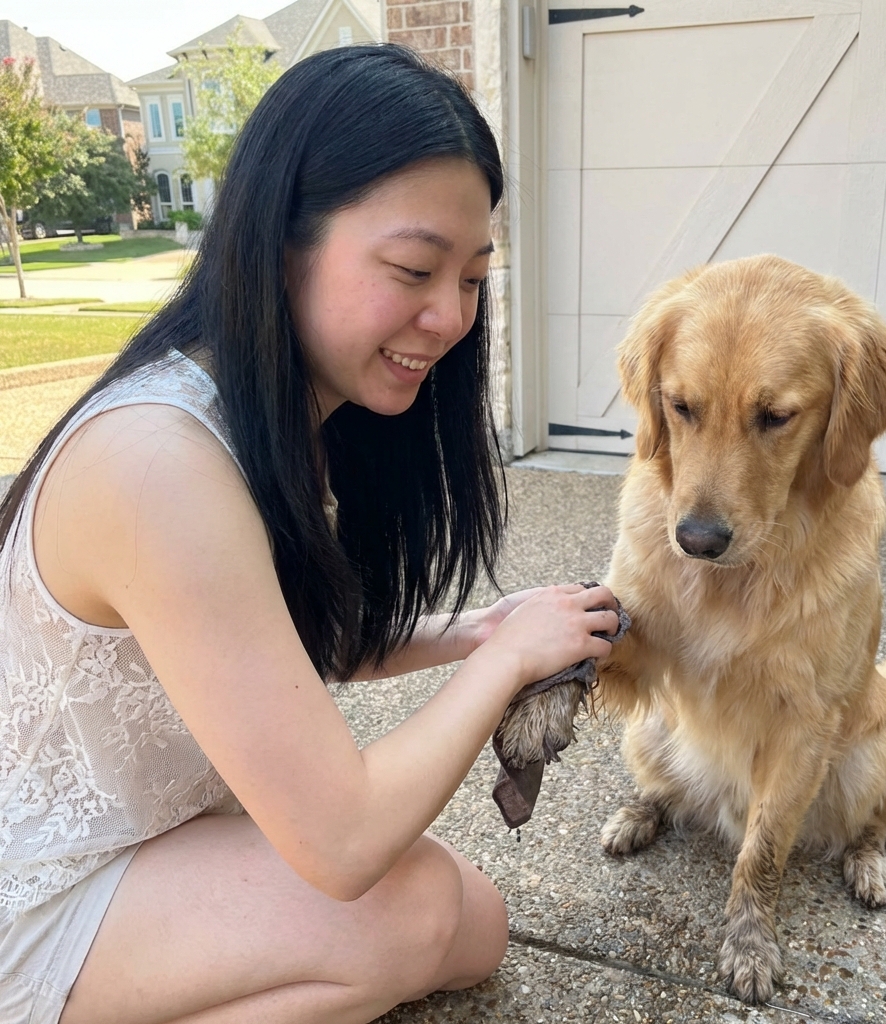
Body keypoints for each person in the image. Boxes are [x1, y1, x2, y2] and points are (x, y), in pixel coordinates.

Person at [0, 45, 619, 1024]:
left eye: (472, 274)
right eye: (416, 268)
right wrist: (499, 668)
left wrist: (473, 628)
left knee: (476, 928)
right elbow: (341, 841)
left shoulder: (283, 416)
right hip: (40, 895)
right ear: (284, 241)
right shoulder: (158, 462)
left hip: (158, 838)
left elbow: (285, 641)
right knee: (408, 911)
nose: (451, 314)